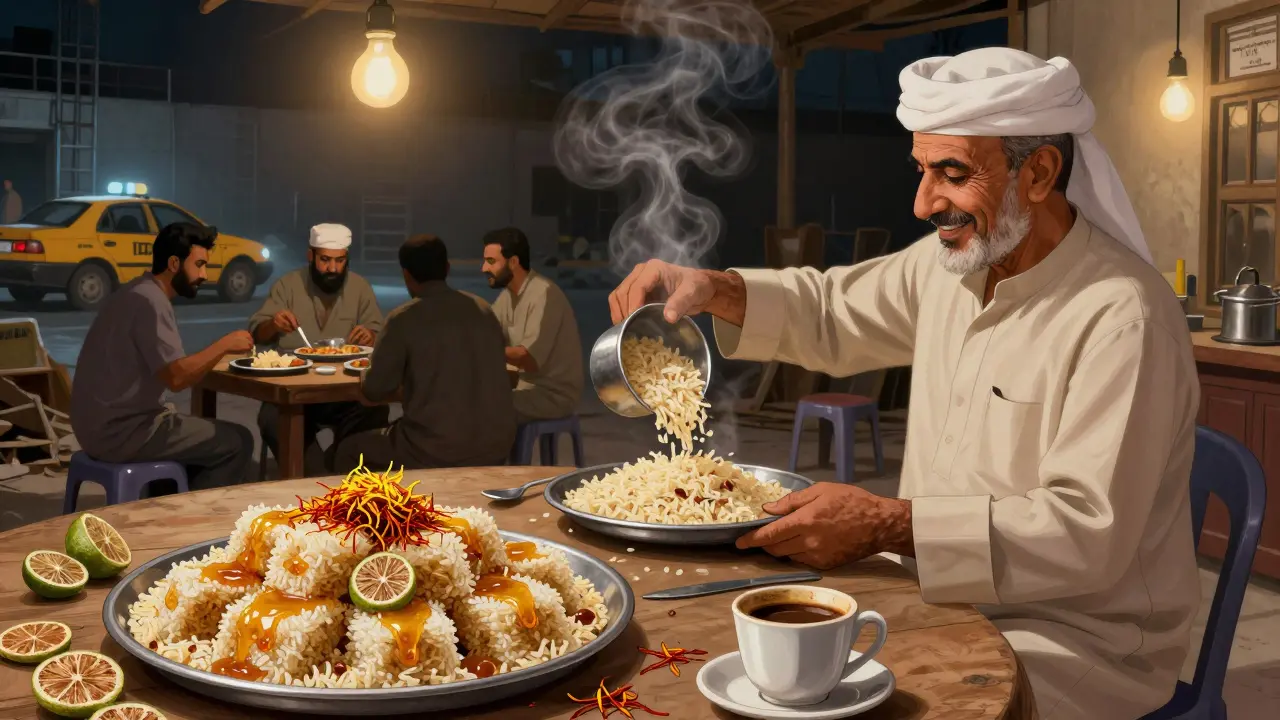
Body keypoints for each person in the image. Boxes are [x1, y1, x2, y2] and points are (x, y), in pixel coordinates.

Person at [608, 48, 1199, 720]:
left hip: (1071, 640)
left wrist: (889, 525)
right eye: (921, 171)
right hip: (936, 595)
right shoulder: (955, 265)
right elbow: (831, 309)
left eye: (953, 173)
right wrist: (713, 289)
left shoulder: (1124, 317)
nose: (923, 203)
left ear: (1037, 173)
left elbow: (1085, 532)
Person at [71, 222, 254, 490]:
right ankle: (195, 513)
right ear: (174, 263)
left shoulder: (135, 290)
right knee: (238, 441)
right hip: (123, 432)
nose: (204, 275)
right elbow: (177, 377)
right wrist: (225, 345)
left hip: (96, 428)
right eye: (199, 265)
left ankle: (169, 502)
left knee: (193, 440)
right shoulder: (151, 301)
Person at [333, 234, 516, 470]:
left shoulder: (403, 318)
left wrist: (367, 367)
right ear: (447, 268)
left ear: (406, 274)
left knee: (349, 451)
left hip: (434, 449)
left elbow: (374, 390)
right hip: (496, 445)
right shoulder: (484, 309)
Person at [248, 223, 387, 473]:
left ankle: (345, 472)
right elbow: (258, 333)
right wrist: (273, 324)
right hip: (295, 391)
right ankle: (315, 478)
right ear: (310, 255)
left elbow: (380, 335)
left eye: (339, 261)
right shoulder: (288, 285)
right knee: (272, 418)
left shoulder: (360, 288)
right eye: (325, 260)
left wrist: (370, 336)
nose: (332, 268)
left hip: (345, 392)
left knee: (375, 409)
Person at [483, 227, 583, 423]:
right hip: (525, 388)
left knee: (481, 407)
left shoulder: (543, 294)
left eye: (491, 261)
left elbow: (529, 359)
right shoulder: (507, 297)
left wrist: (482, 350)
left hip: (553, 395)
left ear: (513, 262)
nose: (484, 268)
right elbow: (486, 332)